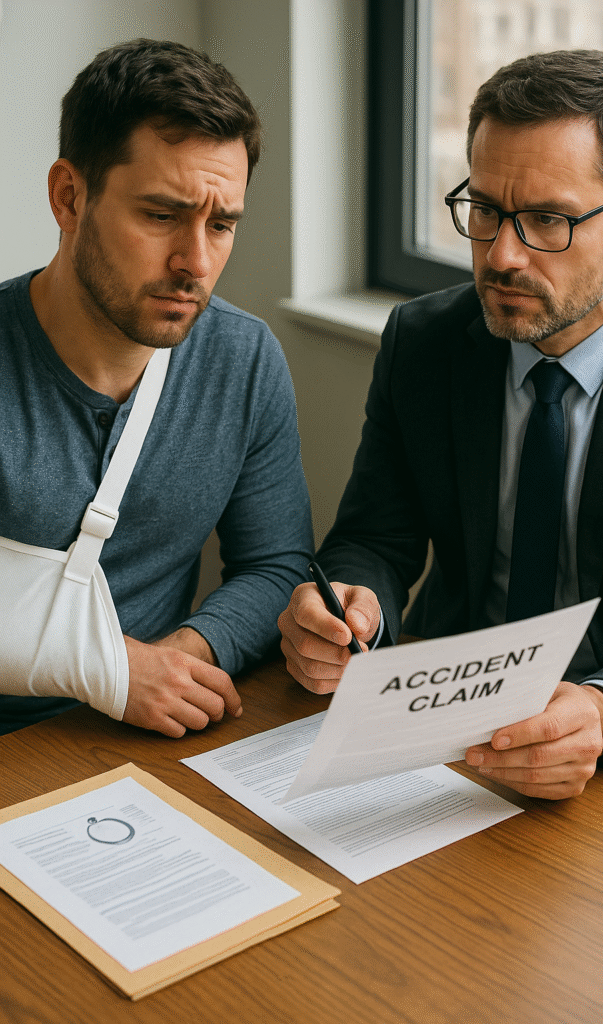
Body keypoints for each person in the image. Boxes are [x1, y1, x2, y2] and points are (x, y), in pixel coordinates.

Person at [279, 49, 603, 800]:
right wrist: (350, 606)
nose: (500, 254)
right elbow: (374, 536)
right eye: (486, 210)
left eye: (546, 221)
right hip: (440, 722)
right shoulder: (424, 341)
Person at [0, 39, 313, 737]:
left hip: (145, 740)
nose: (195, 262)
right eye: (161, 214)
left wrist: (185, 657)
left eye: (221, 224)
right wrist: (113, 669)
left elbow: (275, 566)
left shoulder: (243, 358)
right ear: (69, 197)